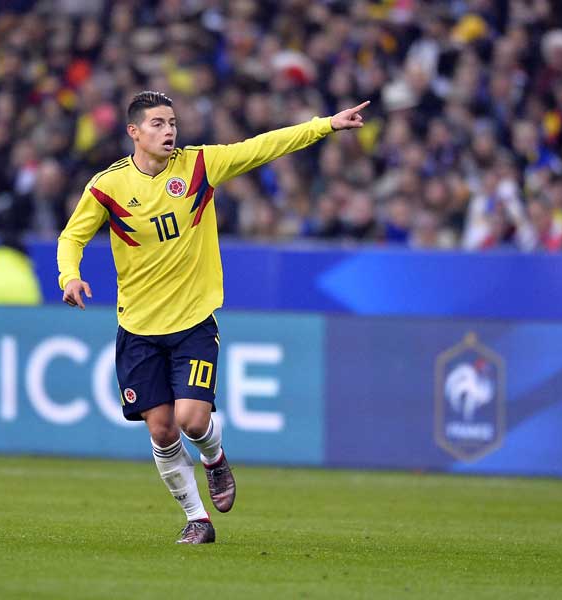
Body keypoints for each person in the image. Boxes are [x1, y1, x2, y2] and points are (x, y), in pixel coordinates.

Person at [57, 91, 368, 544]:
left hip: (193, 324)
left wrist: (326, 125)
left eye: (173, 123)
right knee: (161, 431)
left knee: (192, 421)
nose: (169, 131)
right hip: (138, 329)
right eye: (159, 124)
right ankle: (197, 519)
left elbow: (264, 145)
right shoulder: (108, 187)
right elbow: (72, 236)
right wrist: (70, 276)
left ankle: (215, 458)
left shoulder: (200, 165)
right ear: (134, 133)